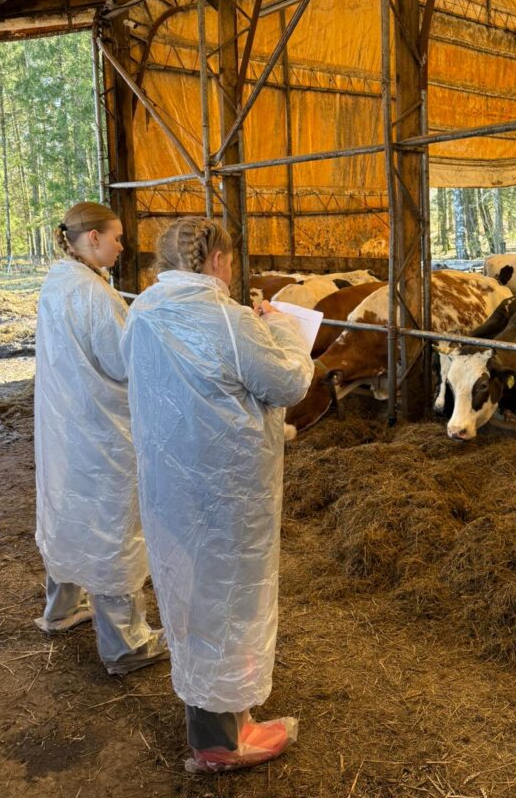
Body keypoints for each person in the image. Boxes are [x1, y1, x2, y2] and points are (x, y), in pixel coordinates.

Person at [119, 217, 314, 773]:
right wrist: (280, 328)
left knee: (190, 590)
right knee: (229, 596)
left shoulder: (142, 311)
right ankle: (218, 743)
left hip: (169, 482)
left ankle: (224, 715)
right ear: (218, 260)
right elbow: (289, 383)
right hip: (227, 487)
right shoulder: (231, 320)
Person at [33, 201, 167, 676]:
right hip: (102, 427)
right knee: (114, 522)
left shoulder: (57, 282)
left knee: (68, 508)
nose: (122, 246)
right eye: (117, 237)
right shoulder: (94, 294)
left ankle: (62, 608)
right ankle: (125, 644)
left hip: (64, 422)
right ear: (93, 238)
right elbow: (122, 361)